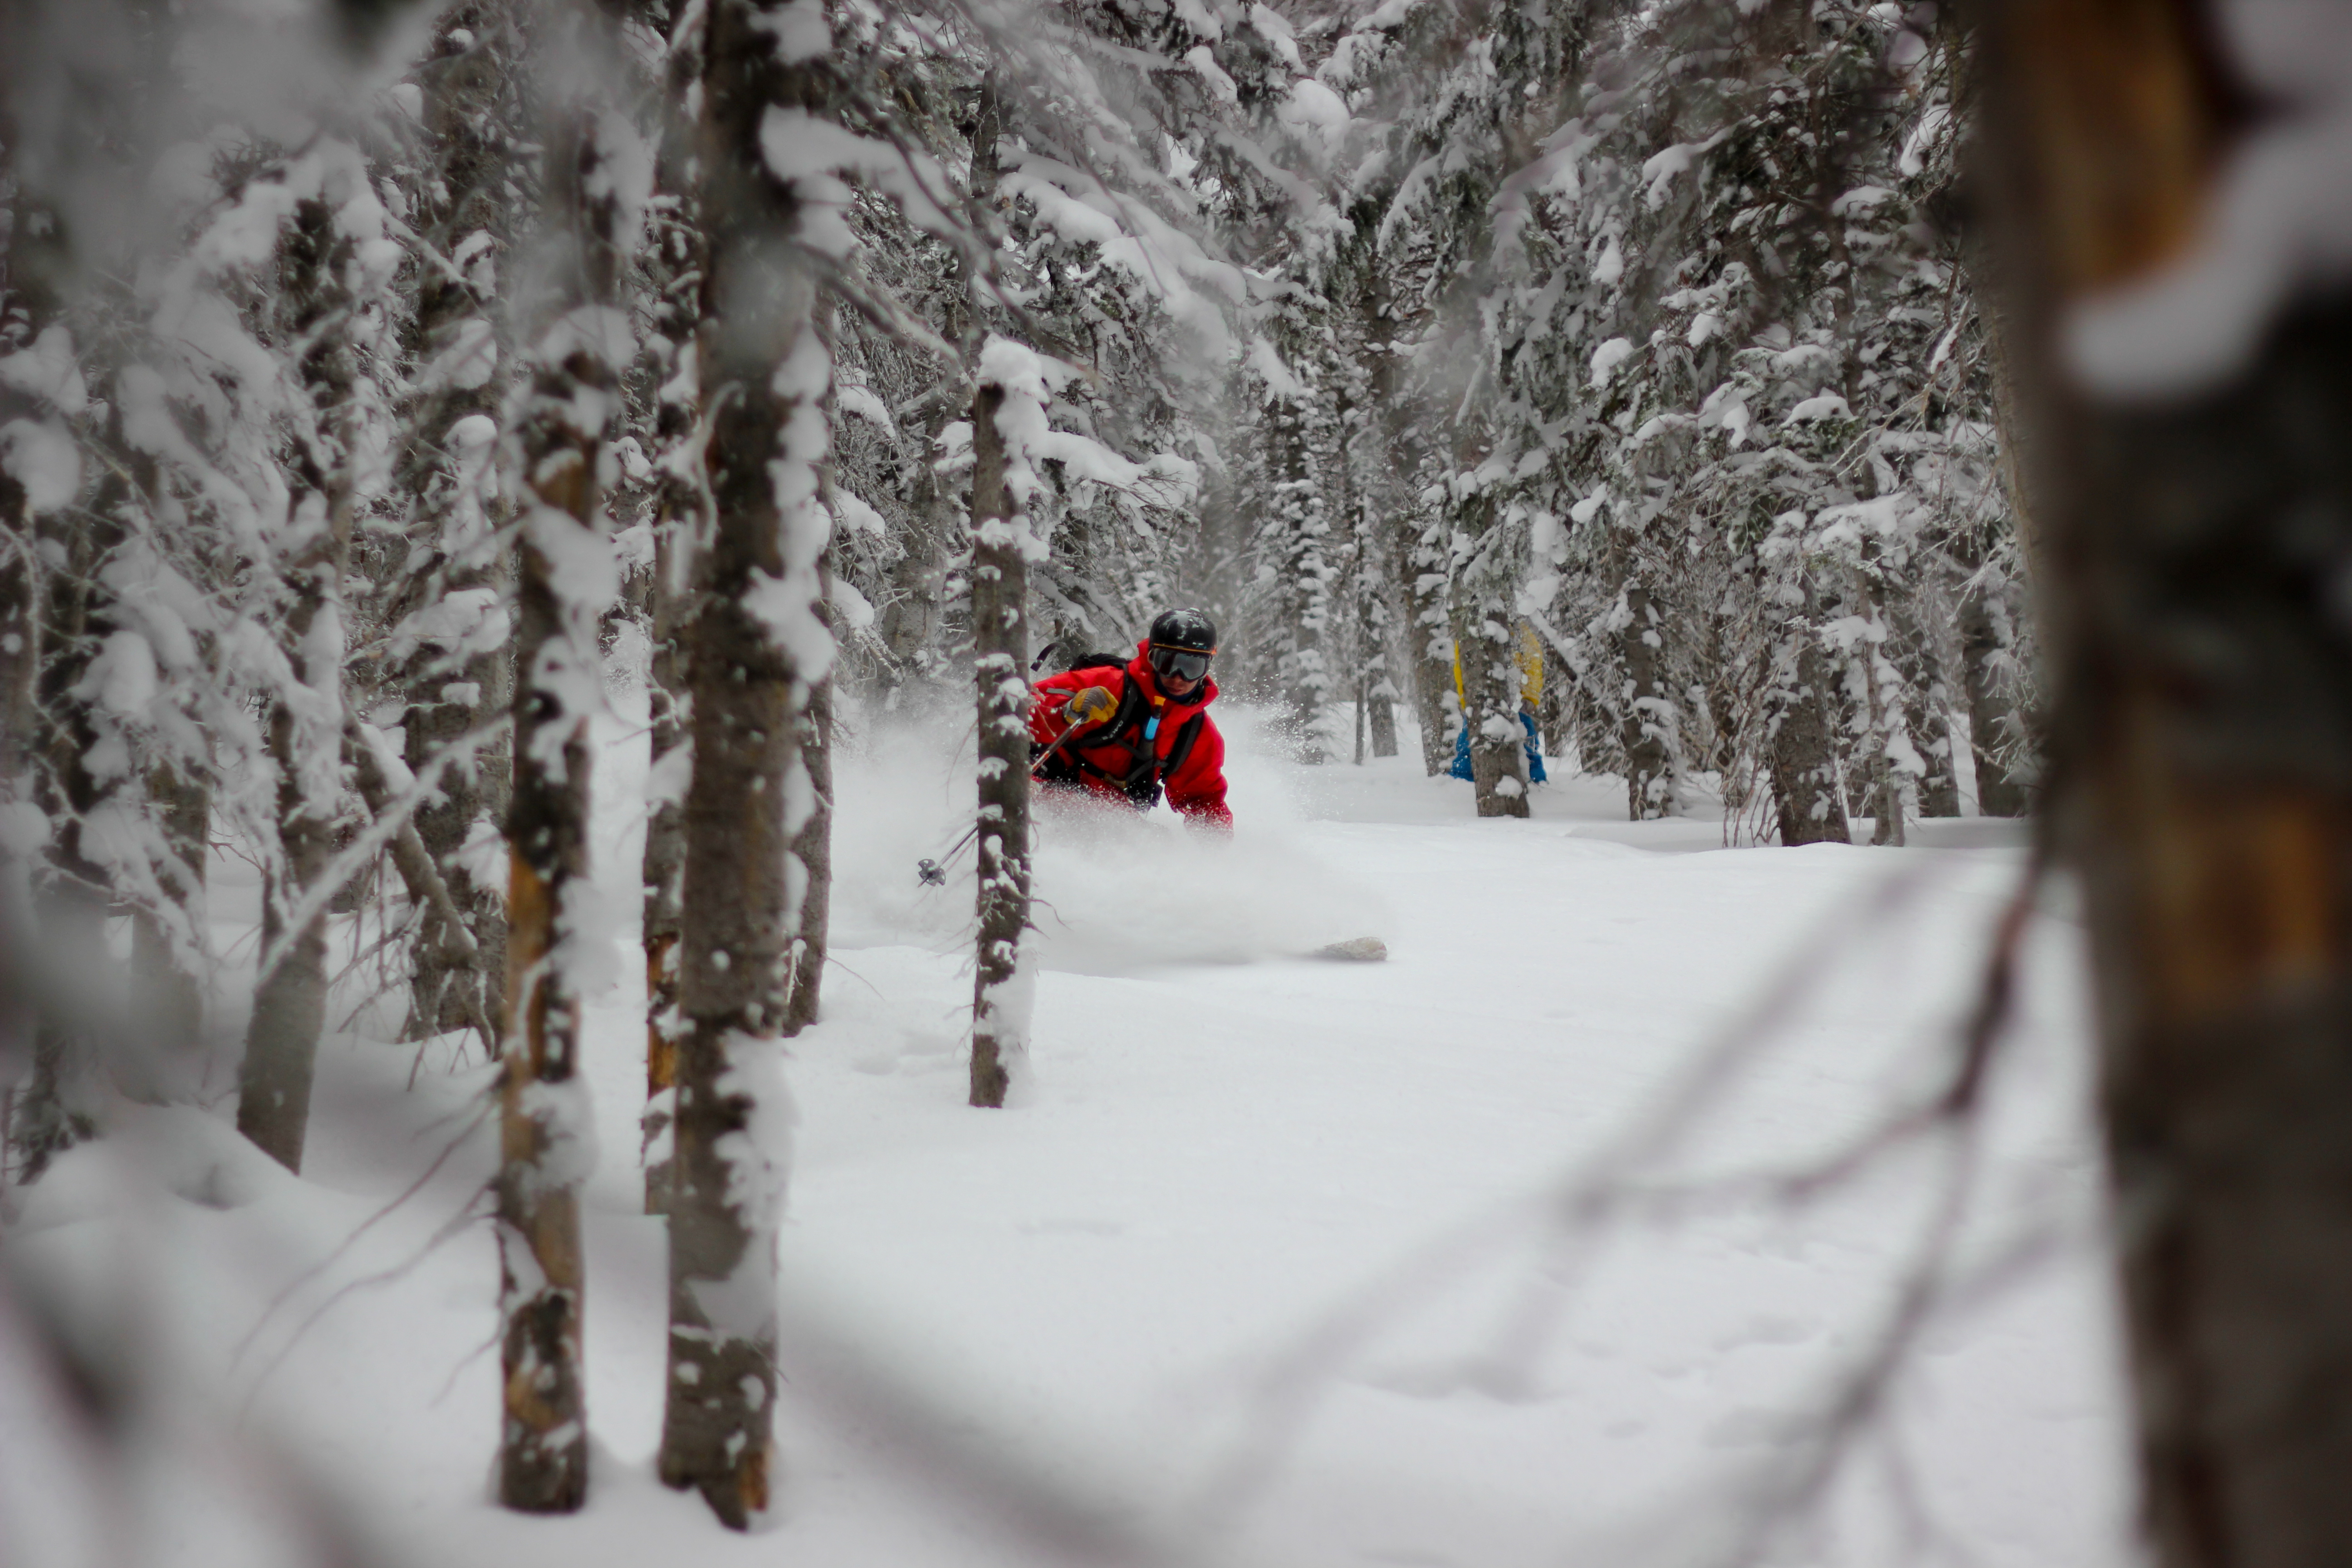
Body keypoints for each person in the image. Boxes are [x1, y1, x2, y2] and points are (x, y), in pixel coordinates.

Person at [1029, 608, 1233, 828]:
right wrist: (1065, 712)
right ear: (1151, 657)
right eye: (1167, 663)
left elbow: (1204, 799)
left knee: (1154, 842)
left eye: (1191, 667)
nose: (1178, 677)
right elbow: (1019, 707)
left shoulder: (1195, 732)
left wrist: (1216, 848)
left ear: (1207, 668)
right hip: (1043, 793)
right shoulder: (1108, 684)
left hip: (1112, 822)